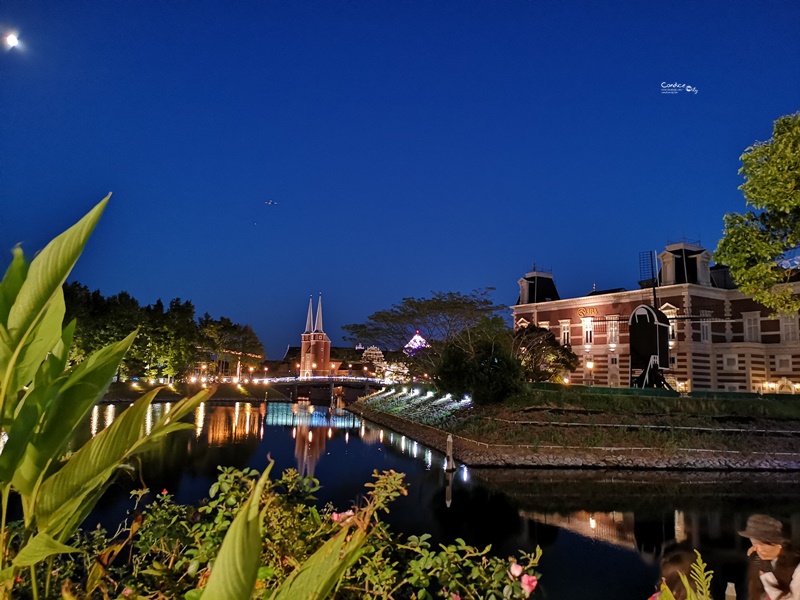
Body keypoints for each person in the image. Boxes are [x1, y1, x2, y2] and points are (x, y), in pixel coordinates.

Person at [739, 514, 800, 600]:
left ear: (778, 544)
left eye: (761, 544)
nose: (757, 549)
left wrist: (766, 573)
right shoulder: (758, 561)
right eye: (754, 543)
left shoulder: (796, 567)